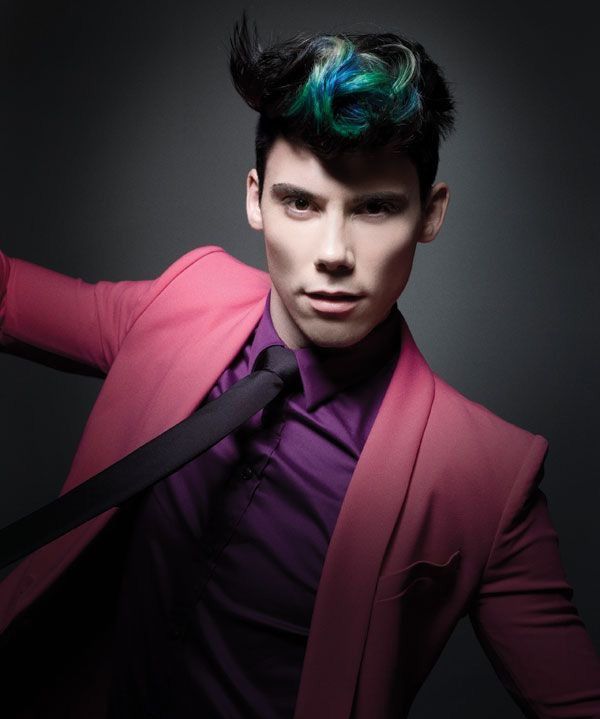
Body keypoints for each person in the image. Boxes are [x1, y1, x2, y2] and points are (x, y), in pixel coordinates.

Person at [1, 15, 599, 719]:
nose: (333, 253)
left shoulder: (487, 477)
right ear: (255, 198)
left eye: (375, 208)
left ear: (429, 214)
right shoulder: (184, 299)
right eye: (301, 203)